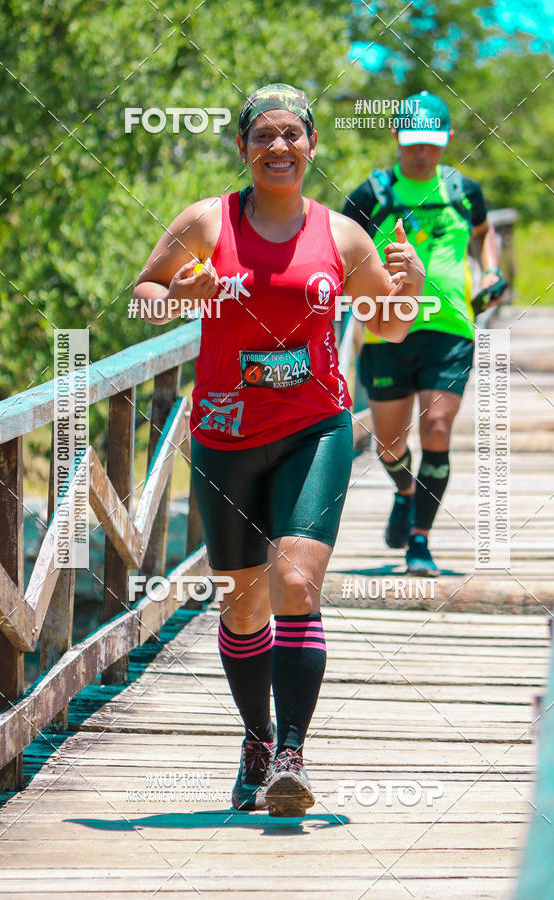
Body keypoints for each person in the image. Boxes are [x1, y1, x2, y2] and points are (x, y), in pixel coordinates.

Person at [134, 83, 425, 816]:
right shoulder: (207, 222)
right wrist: (179, 299)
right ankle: (257, 739)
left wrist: (407, 292)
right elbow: (142, 293)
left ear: (312, 145)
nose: (278, 147)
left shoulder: (341, 236)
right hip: (226, 434)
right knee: (240, 603)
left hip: (314, 428)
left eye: (292, 135)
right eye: (263, 136)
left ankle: (291, 754)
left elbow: (387, 326)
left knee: (295, 579)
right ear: (243, 147)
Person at [342, 91, 506, 576]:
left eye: (432, 144)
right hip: (387, 332)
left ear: (447, 140)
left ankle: (420, 539)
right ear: (396, 138)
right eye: (413, 143)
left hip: (450, 328)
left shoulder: (462, 191)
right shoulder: (372, 194)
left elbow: (483, 232)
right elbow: (334, 248)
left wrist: (491, 271)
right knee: (390, 444)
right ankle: (406, 491)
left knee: (436, 429)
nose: (422, 153)